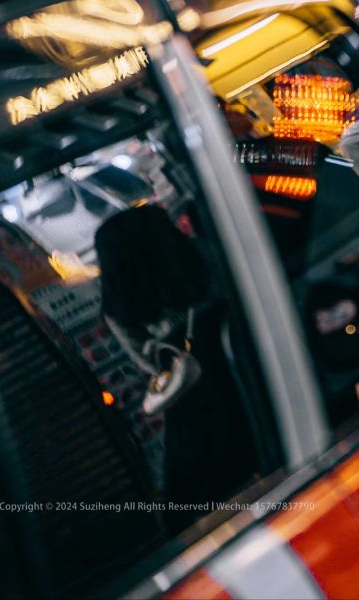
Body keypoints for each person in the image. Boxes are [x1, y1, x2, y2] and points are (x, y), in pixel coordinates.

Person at [95, 205, 253, 515]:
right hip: (240, 369)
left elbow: (145, 360)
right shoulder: (198, 257)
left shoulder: (118, 304)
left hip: (192, 399)